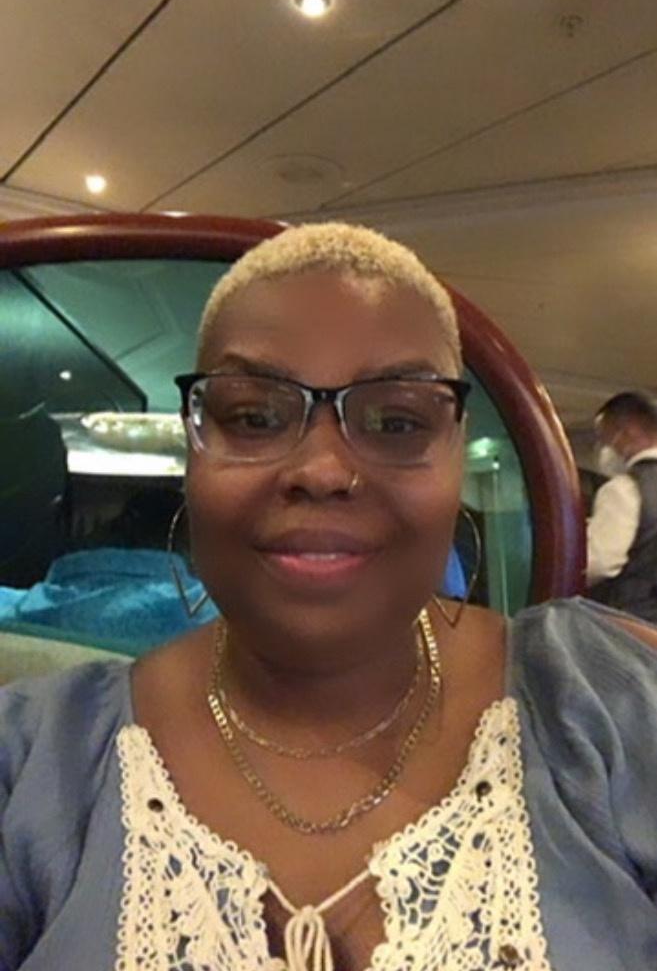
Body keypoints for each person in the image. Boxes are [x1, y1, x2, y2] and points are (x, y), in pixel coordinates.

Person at [2, 222, 657, 971]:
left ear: (455, 450)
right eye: (254, 417)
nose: (321, 469)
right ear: (192, 447)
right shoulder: (35, 759)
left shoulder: (605, 704)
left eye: (397, 421)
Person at [587, 391, 657, 622]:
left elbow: (600, 563)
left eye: (605, 438)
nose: (604, 447)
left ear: (628, 431)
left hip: (635, 624)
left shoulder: (624, 489)